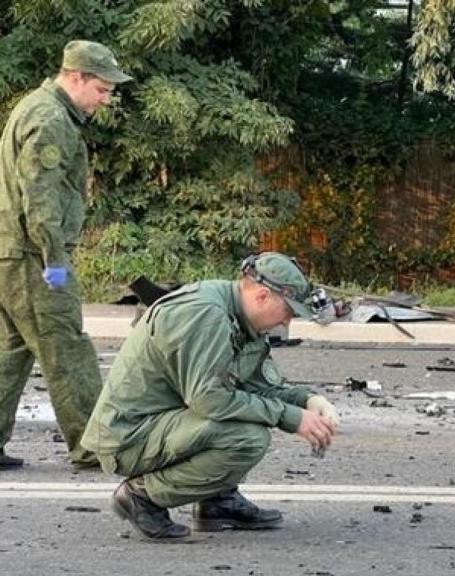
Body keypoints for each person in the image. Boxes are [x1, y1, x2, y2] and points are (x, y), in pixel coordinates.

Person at [82, 252, 341, 540]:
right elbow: (210, 400)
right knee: (247, 438)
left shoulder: (241, 317)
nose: (287, 323)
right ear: (263, 296)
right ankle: (141, 496)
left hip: (162, 423)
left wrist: (309, 402)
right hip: (128, 437)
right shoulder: (207, 315)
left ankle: (217, 501)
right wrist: (290, 418)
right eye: (288, 312)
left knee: (246, 417)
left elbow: (257, 386)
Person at [0, 40, 132, 470]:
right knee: (67, 349)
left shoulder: (35, 108)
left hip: (12, 254)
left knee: (12, 351)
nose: (106, 99)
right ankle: (95, 446)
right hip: (33, 257)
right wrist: (54, 260)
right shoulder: (50, 118)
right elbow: (41, 198)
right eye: (102, 89)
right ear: (76, 77)